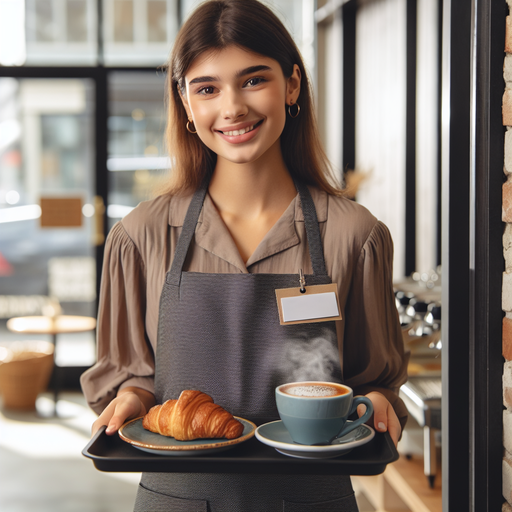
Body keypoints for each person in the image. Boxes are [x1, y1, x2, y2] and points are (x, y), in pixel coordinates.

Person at [81, 0, 409, 510]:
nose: (232, 107)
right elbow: (132, 377)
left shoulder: (354, 235)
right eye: (207, 88)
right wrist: (129, 398)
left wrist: (383, 402)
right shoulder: (140, 236)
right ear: (186, 104)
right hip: (176, 500)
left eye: (254, 80)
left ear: (292, 85)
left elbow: (372, 380)